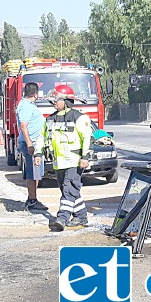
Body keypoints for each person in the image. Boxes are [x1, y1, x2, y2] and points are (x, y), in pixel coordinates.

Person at [34, 85, 92, 231]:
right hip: (58, 163)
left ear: (66, 101)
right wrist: (38, 153)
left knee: (68, 189)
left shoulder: (78, 117)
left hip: (75, 161)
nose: (54, 102)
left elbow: (87, 138)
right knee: (71, 191)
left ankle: (62, 217)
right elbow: (42, 137)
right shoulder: (50, 119)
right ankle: (81, 216)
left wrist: (85, 157)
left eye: (57, 99)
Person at [16, 82, 48, 211]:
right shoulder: (26, 106)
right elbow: (23, 126)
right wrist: (30, 144)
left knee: (36, 173)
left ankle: (32, 198)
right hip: (31, 144)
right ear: (35, 94)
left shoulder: (28, 104)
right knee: (32, 173)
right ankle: (32, 201)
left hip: (35, 143)